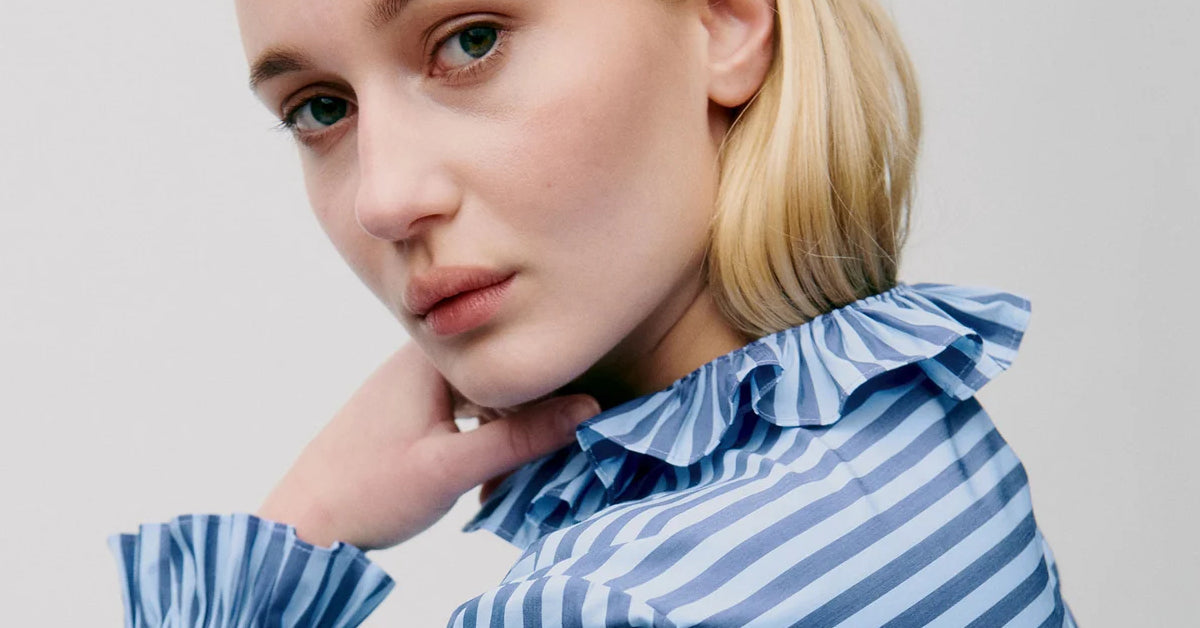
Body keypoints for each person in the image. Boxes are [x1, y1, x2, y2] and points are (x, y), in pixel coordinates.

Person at [108, 0, 1076, 625]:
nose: (383, 199)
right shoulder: (917, 421)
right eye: (320, 110)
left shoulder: (605, 604)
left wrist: (302, 525)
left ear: (724, 17)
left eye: (469, 41)